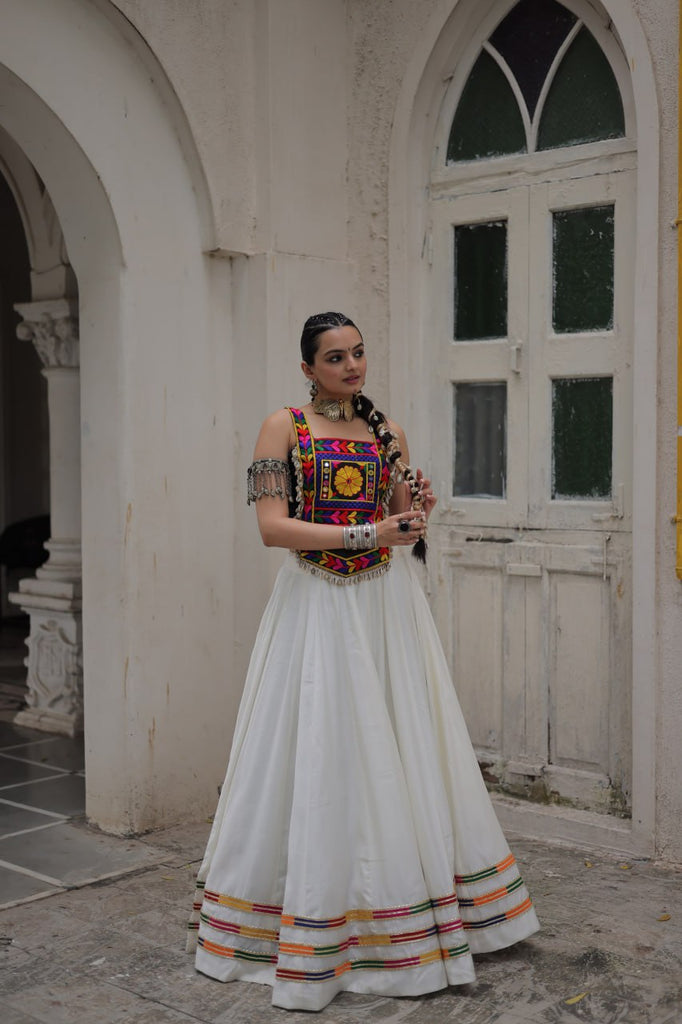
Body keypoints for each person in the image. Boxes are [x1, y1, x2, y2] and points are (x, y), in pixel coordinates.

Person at [187, 312, 539, 1012]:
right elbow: (271, 528)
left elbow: (405, 527)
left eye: (358, 352)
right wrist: (372, 529)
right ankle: (308, 922)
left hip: (384, 603)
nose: (352, 366)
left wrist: (414, 515)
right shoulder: (283, 427)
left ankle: (412, 911)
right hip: (315, 602)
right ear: (308, 368)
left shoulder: (390, 432)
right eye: (335, 357)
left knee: (401, 742)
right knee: (317, 743)